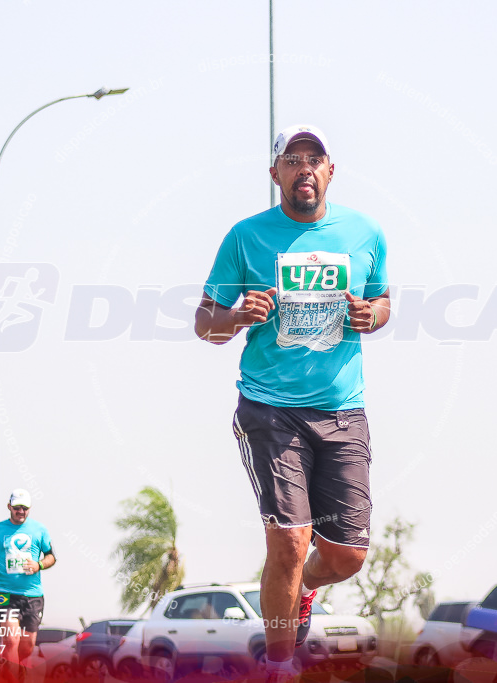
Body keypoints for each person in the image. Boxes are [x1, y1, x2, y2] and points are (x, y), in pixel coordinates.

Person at [194, 124, 390, 682]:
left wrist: (368, 316)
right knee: (288, 539)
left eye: (315, 158)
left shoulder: (364, 232)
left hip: (342, 409)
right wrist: (235, 317)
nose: (305, 167)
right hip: (270, 410)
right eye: (292, 159)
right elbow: (204, 323)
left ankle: (303, 587)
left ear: (331, 170)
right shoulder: (246, 237)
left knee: (347, 556)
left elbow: (381, 302)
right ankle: (280, 665)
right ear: (274, 172)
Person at [0, 489, 55, 680]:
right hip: (4, 592)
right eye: (17, 507)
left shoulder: (39, 530)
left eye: (25, 508)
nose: (21, 511)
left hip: (32, 594)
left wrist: (39, 564)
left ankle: (15, 669)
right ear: (9, 506)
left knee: (27, 646)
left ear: (29, 509)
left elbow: (51, 556)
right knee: (11, 640)